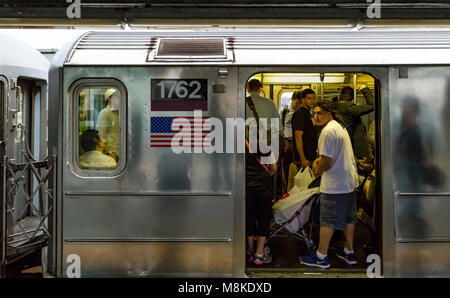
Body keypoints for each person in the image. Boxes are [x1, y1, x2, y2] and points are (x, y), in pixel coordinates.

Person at [299, 100, 359, 269]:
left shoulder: (327, 132)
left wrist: (318, 170)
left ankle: (321, 257)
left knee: (328, 221)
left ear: (329, 113)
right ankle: (349, 252)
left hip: (335, 185)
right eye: (314, 113)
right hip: (348, 182)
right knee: (349, 219)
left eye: (319, 113)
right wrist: (319, 161)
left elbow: (327, 161)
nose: (316, 116)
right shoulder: (340, 128)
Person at [245, 79, 281, 265]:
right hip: (263, 180)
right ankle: (260, 254)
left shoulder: (241, 143)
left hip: (246, 179)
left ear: (247, 89)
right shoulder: (267, 144)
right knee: (264, 215)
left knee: (249, 213)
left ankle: (249, 250)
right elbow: (273, 169)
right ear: (260, 89)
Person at [335, 85, 375, 159]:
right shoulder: (350, 108)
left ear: (338, 97)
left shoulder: (333, 107)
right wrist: (363, 87)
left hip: (336, 143)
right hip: (348, 145)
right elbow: (372, 105)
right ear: (352, 100)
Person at [280, 91, 302, 193]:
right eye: (296, 103)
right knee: (286, 170)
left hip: (298, 142)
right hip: (288, 143)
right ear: (292, 100)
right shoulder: (284, 112)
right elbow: (280, 128)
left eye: (299, 103)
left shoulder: (302, 113)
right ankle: (286, 192)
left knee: (298, 170)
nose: (297, 105)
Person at [291, 89, 318, 168]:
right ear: (302, 99)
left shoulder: (308, 113)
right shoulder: (300, 114)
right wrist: (302, 158)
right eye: (309, 98)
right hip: (304, 158)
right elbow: (298, 136)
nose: (312, 101)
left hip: (310, 155)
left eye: (313, 98)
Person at [96, 88, 120, 161]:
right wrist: (109, 153)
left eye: (118, 97)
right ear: (109, 99)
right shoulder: (105, 113)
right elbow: (100, 136)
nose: (118, 99)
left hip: (119, 153)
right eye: (116, 97)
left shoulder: (118, 112)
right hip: (111, 155)